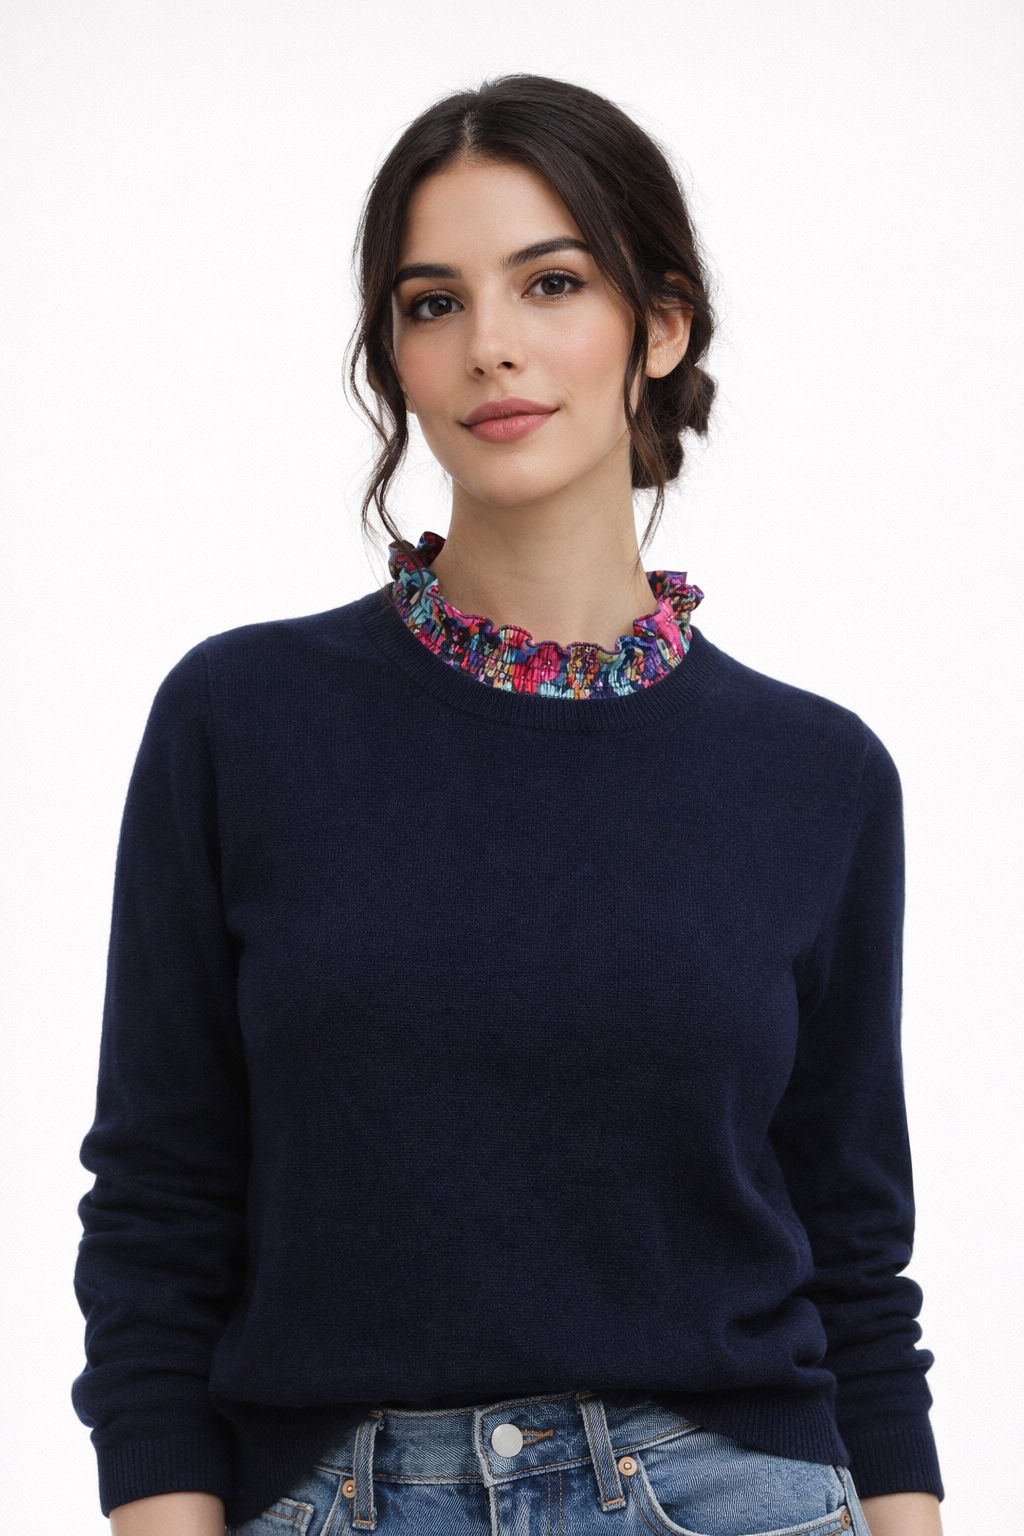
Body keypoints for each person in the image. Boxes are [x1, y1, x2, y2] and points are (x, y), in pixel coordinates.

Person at [72, 75, 944, 1536]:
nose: (490, 344)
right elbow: (159, 1203)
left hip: (735, 1496)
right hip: (343, 1496)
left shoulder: (819, 774)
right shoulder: (241, 720)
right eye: (434, 303)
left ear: (659, 327)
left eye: (552, 283)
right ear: (397, 358)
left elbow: (856, 1253)